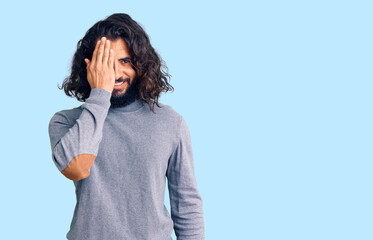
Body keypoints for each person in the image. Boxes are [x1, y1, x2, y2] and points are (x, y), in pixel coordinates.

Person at [48, 13, 205, 240]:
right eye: (106, 64)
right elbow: (77, 167)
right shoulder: (66, 122)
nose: (117, 73)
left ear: (141, 63)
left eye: (125, 61)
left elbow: (187, 204)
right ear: (90, 68)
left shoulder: (171, 123)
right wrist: (100, 94)